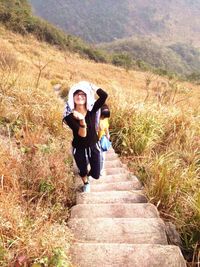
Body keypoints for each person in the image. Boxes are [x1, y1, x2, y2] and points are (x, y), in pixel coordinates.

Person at [63, 81, 108, 192]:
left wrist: (92, 86)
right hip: (79, 147)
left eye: (83, 94)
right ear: (72, 97)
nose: (80, 96)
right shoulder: (69, 116)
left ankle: (89, 174)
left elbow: (104, 96)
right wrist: (82, 120)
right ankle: (86, 183)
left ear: (87, 97)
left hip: (94, 145)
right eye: (77, 94)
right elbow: (82, 134)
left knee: (96, 174)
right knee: (82, 169)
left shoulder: (92, 110)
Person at [98, 104, 111, 175]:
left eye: (105, 117)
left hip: (102, 138)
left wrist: (107, 134)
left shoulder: (105, 118)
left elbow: (106, 127)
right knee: (94, 156)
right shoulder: (95, 117)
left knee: (102, 156)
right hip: (94, 139)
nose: (104, 118)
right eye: (103, 116)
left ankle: (101, 170)